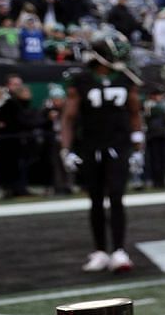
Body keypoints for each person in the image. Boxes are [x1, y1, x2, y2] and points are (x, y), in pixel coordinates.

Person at [60, 27, 143, 273]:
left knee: (116, 197)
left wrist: (138, 148)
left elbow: (135, 114)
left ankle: (118, 250)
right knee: (95, 200)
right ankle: (99, 250)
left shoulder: (126, 79)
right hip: (90, 146)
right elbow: (69, 118)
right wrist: (66, 149)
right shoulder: (81, 79)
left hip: (118, 145)